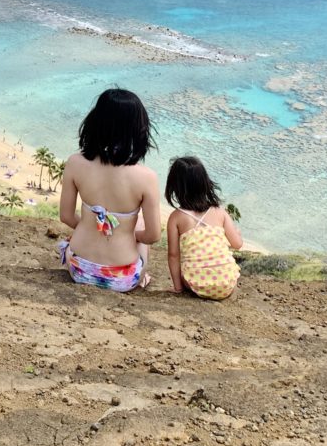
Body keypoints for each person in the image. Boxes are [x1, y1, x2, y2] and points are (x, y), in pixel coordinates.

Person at [57, 88, 161, 291]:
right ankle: (142, 277)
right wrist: (127, 234)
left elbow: (66, 217)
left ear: (95, 122)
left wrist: (95, 228)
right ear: (138, 129)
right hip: (123, 279)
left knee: (89, 225)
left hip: (79, 269)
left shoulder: (75, 163)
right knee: (138, 222)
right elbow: (153, 235)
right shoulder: (146, 177)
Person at [164, 155, 242, 299]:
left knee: (186, 273)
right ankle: (224, 284)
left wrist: (178, 287)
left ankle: (191, 285)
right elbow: (237, 244)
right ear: (205, 183)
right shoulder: (219, 211)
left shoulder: (176, 217)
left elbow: (173, 255)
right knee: (228, 268)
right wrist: (237, 233)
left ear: (174, 186)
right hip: (226, 284)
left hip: (197, 284)